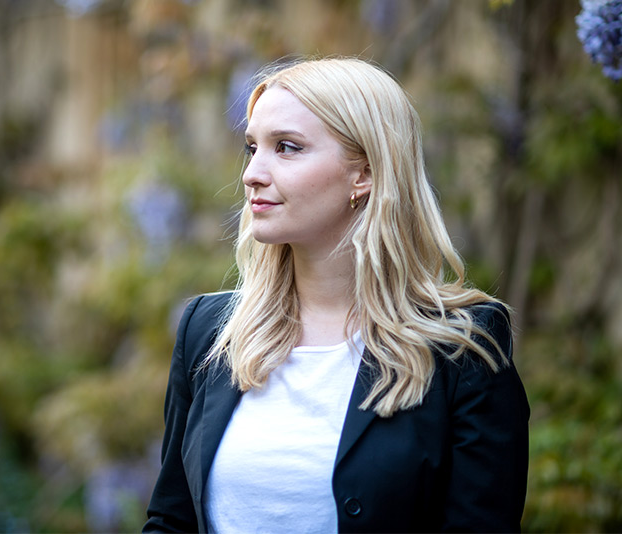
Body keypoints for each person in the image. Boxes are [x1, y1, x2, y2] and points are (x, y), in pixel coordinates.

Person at [143, 57, 529, 533]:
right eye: (251, 148)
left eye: (286, 147)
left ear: (363, 173)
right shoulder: (210, 332)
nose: (252, 174)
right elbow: (171, 520)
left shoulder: (461, 347)